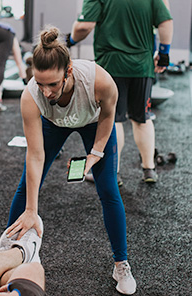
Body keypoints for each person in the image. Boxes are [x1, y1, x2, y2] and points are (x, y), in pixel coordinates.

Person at [5, 26, 136, 295]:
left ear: (69, 71)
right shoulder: (31, 96)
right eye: (40, 83)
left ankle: (121, 264)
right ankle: (8, 257)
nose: (47, 91)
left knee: (109, 189)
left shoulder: (100, 82)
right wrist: (32, 210)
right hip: (54, 124)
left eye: (53, 84)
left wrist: (95, 154)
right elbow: (35, 154)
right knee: (27, 186)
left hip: (93, 123)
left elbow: (108, 117)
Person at [68, 0, 173, 185]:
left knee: (114, 118)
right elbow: (165, 22)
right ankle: (149, 169)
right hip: (141, 66)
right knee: (143, 118)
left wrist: (69, 40)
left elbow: (84, 26)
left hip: (111, 66)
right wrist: (164, 54)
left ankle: (113, 173)